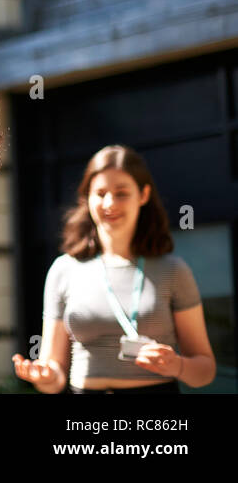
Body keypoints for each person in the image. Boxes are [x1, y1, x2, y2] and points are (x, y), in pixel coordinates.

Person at [13, 145, 215, 394]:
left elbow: (205, 371)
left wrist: (177, 365)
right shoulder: (63, 270)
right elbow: (55, 377)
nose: (109, 203)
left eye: (121, 193)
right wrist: (42, 376)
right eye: (100, 193)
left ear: (143, 195)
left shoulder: (173, 270)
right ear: (87, 198)